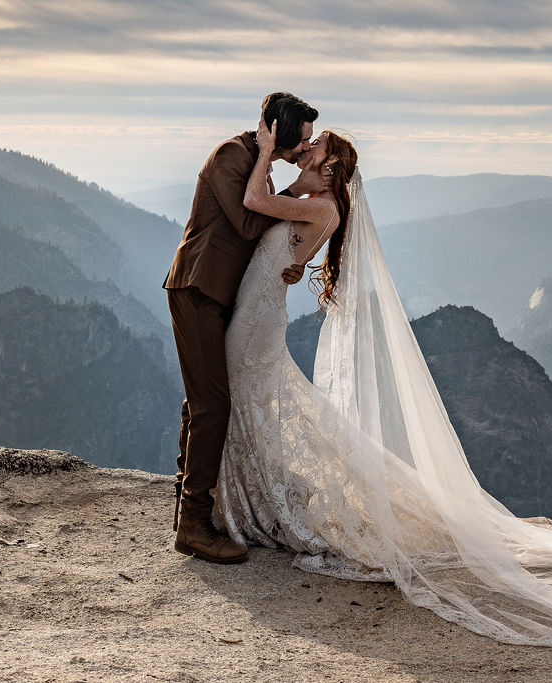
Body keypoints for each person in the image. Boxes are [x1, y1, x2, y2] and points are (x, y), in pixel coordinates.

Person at [212, 119, 552, 647]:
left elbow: (256, 201)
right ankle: (250, 499)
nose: (307, 147)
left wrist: (264, 149)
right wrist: (297, 169)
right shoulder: (315, 197)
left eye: (317, 144)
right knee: (260, 400)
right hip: (255, 313)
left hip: (256, 321)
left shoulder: (322, 206)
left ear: (330, 165)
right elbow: (276, 216)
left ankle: (248, 504)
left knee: (258, 398)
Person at [163, 92, 330, 564]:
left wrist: (290, 260)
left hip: (218, 294)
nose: (305, 149)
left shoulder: (256, 162)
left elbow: (261, 230)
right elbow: (246, 221)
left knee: (202, 398)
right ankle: (193, 526)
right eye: (302, 140)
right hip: (197, 289)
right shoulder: (232, 156)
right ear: (275, 131)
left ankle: (189, 509)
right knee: (212, 404)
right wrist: (296, 192)